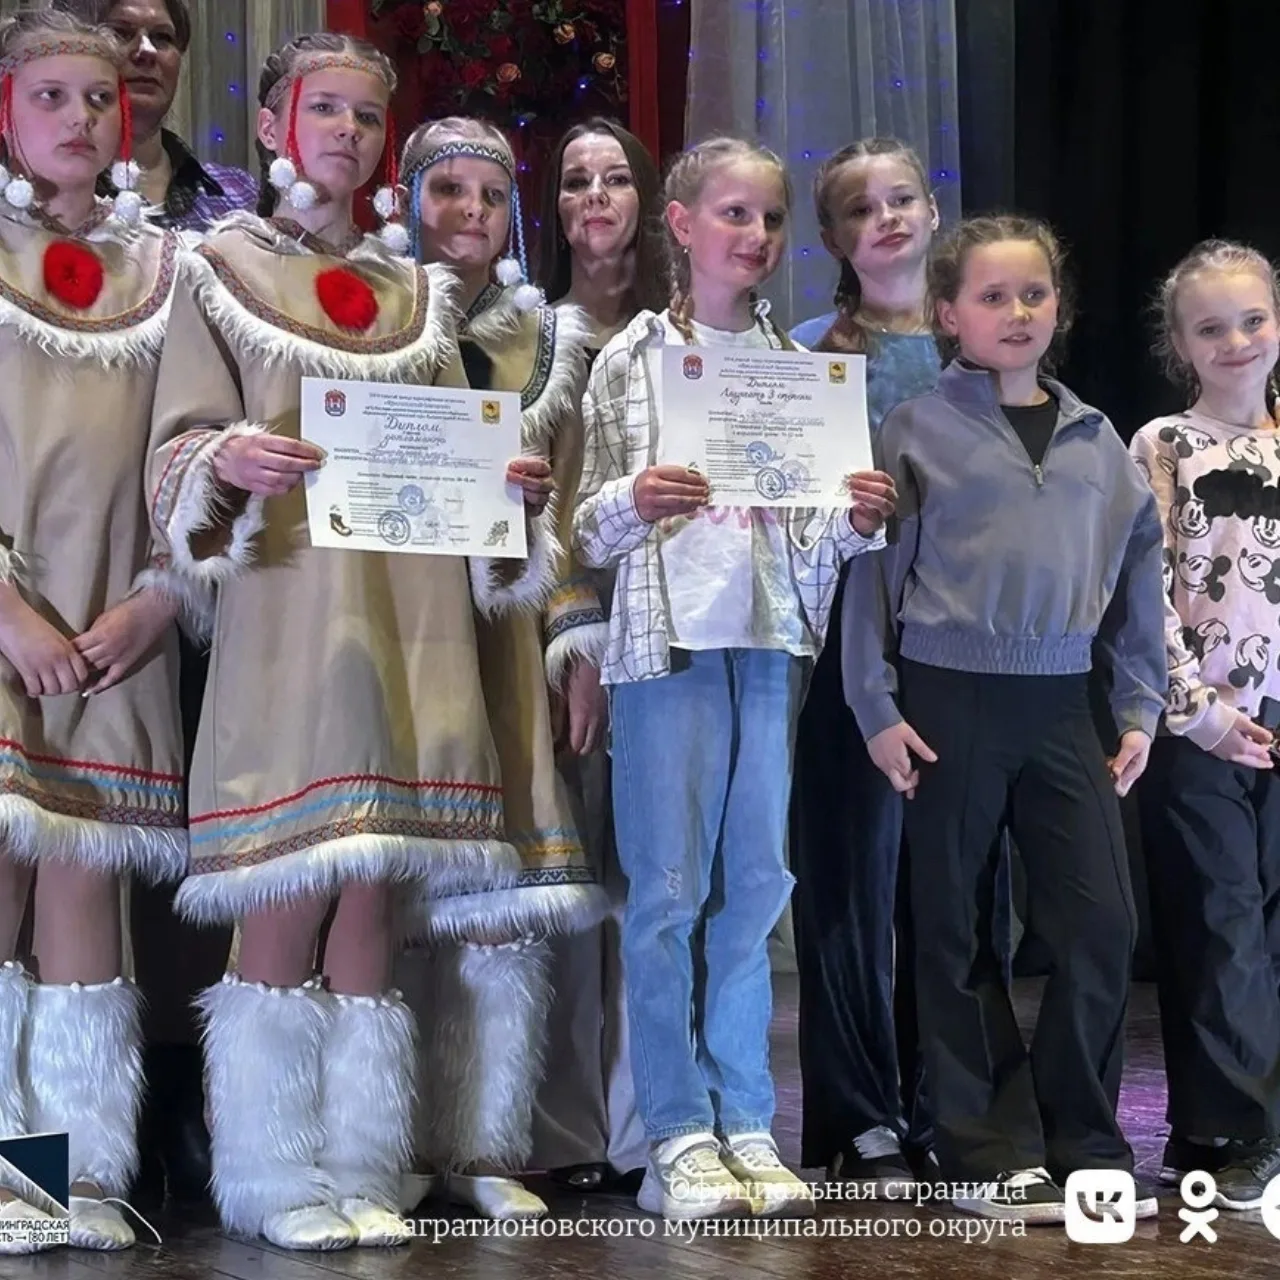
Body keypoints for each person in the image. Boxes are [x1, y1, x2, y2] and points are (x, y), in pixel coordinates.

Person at [145, 33, 555, 1252]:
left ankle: (360, 1153)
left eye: (367, 117)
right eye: (324, 109)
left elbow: (444, 463)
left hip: (407, 618)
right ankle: (270, 1170)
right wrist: (222, 456)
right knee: (289, 877)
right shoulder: (215, 269)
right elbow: (172, 444)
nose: (346, 132)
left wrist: (505, 489)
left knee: (374, 877)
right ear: (276, 124)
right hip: (290, 611)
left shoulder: (416, 294)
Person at [573, 135, 896, 1220]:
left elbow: (809, 539)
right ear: (680, 224)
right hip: (663, 650)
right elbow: (584, 526)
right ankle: (676, 1130)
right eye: (731, 214)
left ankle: (747, 1117)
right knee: (666, 892)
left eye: (767, 218)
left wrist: (852, 521)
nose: (753, 235)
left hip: (765, 649)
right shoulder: (630, 359)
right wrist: (634, 502)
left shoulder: (793, 373)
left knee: (755, 886)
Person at [843, 214, 1166, 1223]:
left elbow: (1139, 576)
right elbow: (870, 580)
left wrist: (1139, 704)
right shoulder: (912, 430)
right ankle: (981, 1144)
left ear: (1057, 306)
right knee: (950, 925)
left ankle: (1081, 1136)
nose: (1017, 312)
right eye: (991, 296)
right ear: (948, 314)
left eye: (1033, 293)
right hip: (945, 693)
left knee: (1099, 923)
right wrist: (873, 705)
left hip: (1062, 699)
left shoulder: (1099, 440)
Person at [53, 0, 258, 1205]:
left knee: (180, 847)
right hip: (44, 588)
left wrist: (173, 580)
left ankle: (161, 1115)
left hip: (178, 584)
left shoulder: (225, 218)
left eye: (161, 35)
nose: (138, 56)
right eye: (117, 32)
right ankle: (44, 1163)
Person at [392, 115, 607, 1222]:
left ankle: (481, 1142)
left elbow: (563, 509)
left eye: (489, 195)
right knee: (388, 887)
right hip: (395, 621)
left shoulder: (547, 338)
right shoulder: (368, 312)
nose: (469, 213)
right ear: (408, 198)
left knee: (498, 891)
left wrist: (575, 645)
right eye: (447, 191)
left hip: (504, 636)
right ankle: (389, 1139)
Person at [0, 8, 187, 1253]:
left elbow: (197, 447)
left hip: (116, 626)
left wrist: (163, 596)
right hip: (9, 614)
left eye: (100, 99)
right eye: (51, 97)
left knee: (83, 896)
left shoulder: (170, 270)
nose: (79, 118)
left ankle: (62, 1171)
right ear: (7, 111)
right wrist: (8, 612)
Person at [786, 137, 940, 1191]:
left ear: (931, 213)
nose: (884, 218)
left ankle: (945, 1103)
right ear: (834, 237)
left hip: (958, 640)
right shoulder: (805, 354)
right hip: (845, 636)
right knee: (849, 877)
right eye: (859, 208)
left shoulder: (983, 338)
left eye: (901, 199)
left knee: (948, 884)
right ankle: (856, 1119)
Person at [529, 115, 665, 1197]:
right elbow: (545, 501)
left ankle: (647, 1125)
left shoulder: (682, 332)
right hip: (562, 630)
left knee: (656, 885)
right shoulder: (536, 335)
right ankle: (566, 1127)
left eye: (614, 178)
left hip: (673, 630)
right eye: (575, 181)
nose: (594, 197)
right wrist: (576, 642)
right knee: (572, 881)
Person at [1131, 240, 1280, 1208]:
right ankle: (1238, 1129)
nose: (1235, 341)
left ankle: (1219, 1127)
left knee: (1266, 925)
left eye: (1252, 319)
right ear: (1179, 344)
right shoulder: (1164, 444)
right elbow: (1142, 589)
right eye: (1211, 327)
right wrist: (1196, 713)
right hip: (1201, 725)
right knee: (1218, 922)